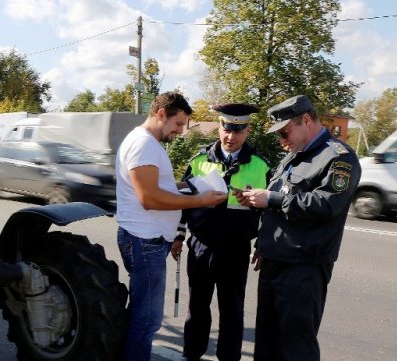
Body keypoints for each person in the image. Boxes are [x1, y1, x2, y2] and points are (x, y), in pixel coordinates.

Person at [235, 95, 361, 361]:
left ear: (305, 120)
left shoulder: (338, 158)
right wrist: (263, 239)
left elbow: (328, 204)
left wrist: (272, 199)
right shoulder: (292, 156)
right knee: (268, 341)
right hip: (274, 259)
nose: (282, 140)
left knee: (296, 345)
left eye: (285, 132)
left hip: (304, 266)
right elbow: (277, 200)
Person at [115, 92, 227, 361]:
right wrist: (199, 200)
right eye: (178, 124)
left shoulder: (148, 143)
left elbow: (155, 186)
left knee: (141, 313)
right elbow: (149, 198)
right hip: (145, 241)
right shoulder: (144, 145)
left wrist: (188, 186)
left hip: (146, 239)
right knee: (147, 321)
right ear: (161, 114)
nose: (181, 131)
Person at [179, 104, 271, 361]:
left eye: (238, 131)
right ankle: (191, 353)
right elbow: (184, 202)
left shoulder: (260, 166)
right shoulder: (199, 162)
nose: (230, 137)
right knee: (197, 306)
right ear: (219, 126)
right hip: (200, 244)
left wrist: (262, 244)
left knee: (232, 309)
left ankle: (229, 357)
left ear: (247, 131)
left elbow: (269, 212)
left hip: (235, 248)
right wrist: (178, 236)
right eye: (226, 129)